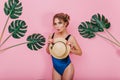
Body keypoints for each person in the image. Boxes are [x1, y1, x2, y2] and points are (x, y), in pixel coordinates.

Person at [46, 13, 82, 80]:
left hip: (67, 66)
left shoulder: (70, 38)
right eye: (55, 24)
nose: (57, 26)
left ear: (65, 23)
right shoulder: (52, 36)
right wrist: (49, 44)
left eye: (60, 23)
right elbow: (48, 52)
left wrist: (69, 49)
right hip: (55, 67)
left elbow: (80, 52)